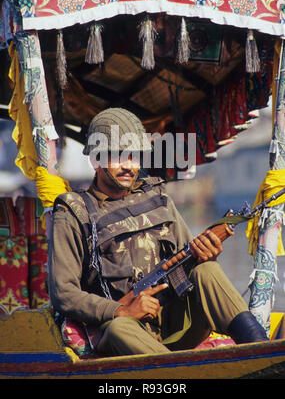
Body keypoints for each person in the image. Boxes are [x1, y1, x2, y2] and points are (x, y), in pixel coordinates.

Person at [48, 107, 268, 356]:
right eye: (118, 155)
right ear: (95, 160)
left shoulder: (158, 196)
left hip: (176, 325)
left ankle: (259, 350)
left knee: (207, 269)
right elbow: (63, 293)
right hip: (126, 332)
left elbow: (191, 262)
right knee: (120, 329)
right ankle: (179, 375)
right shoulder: (74, 211)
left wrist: (209, 254)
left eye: (133, 156)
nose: (128, 166)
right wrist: (120, 311)